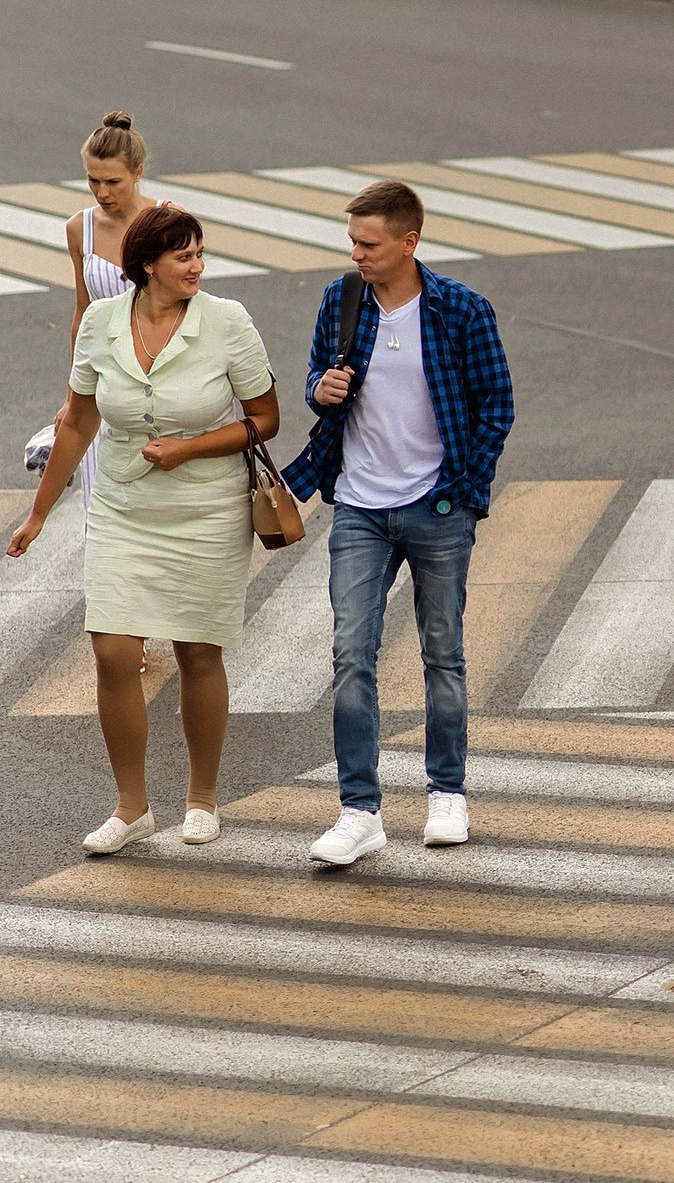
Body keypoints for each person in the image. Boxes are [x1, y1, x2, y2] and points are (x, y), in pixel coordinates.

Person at [7, 204, 281, 854]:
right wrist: (41, 510)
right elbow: (77, 422)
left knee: (196, 651)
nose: (197, 265)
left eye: (199, 253)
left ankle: (203, 798)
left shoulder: (227, 322)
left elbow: (265, 417)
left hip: (207, 508)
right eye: (184, 255)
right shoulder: (102, 323)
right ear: (148, 264)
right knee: (110, 650)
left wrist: (191, 448)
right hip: (124, 506)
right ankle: (131, 806)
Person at [283, 182, 515, 866]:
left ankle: (448, 791)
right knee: (351, 653)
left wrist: (463, 493)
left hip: (437, 508)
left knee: (443, 654)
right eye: (352, 240)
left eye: (369, 243)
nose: (356, 253)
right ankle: (360, 810)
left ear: (409, 243)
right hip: (358, 503)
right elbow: (317, 380)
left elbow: (495, 405)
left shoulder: (460, 310)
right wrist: (319, 389)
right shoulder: (342, 299)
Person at [51, 114, 161, 505]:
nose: (102, 192)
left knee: (154, 506)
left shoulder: (168, 221)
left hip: (158, 378)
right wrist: (70, 399)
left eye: (113, 181)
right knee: (99, 505)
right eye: (93, 180)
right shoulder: (79, 228)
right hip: (102, 381)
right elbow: (82, 313)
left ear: (137, 173)